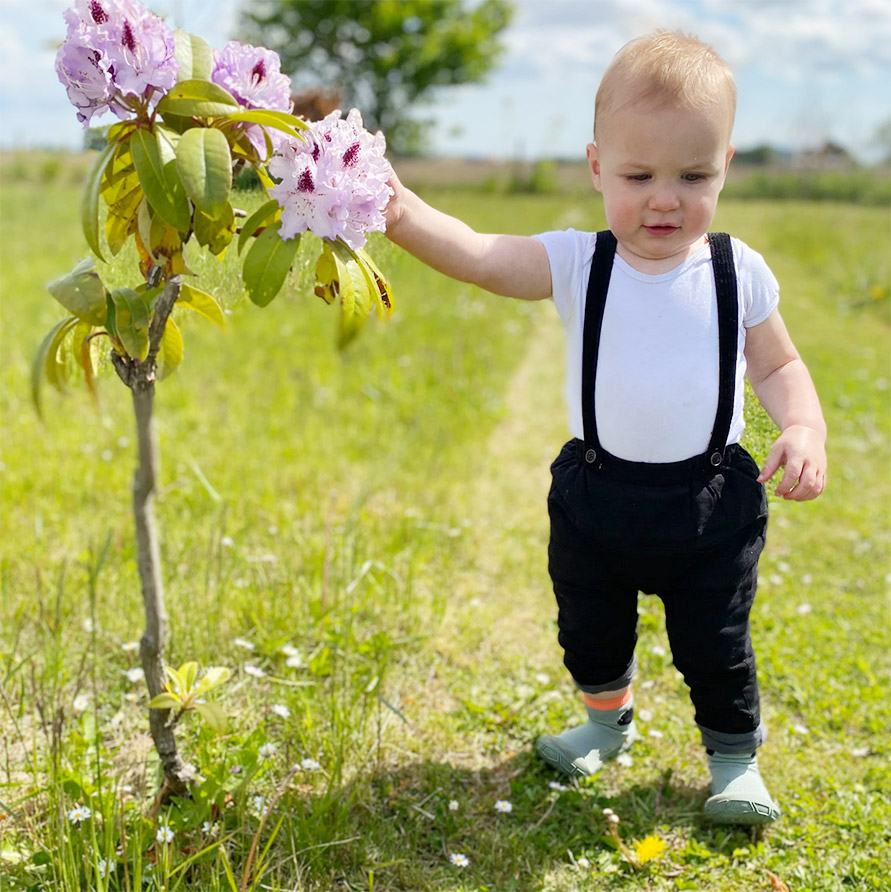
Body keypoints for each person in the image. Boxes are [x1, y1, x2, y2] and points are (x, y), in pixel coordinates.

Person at [383, 30, 826, 825]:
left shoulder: (736, 270)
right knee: (588, 628)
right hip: (598, 494)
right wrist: (400, 212)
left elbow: (778, 365)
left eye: (692, 175)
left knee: (714, 643)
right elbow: (483, 254)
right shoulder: (579, 263)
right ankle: (603, 722)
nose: (665, 198)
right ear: (596, 169)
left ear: (725, 165)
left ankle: (732, 763)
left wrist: (802, 428)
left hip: (707, 501)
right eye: (637, 175)